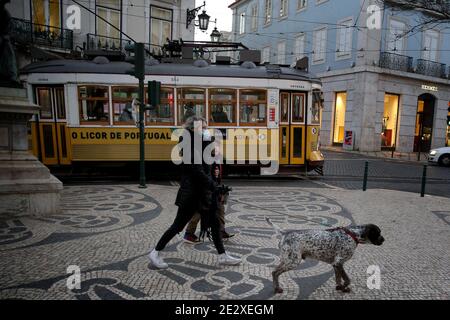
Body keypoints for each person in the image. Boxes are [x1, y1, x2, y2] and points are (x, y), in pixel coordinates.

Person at [148, 116, 241, 269]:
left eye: (206, 127)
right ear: (192, 129)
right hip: (191, 195)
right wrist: (213, 186)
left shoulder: (200, 144)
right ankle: (155, 252)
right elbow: (197, 172)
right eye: (203, 128)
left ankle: (223, 256)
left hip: (203, 194)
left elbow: (208, 169)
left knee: (215, 224)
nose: (206, 130)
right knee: (177, 226)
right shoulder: (189, 147)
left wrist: (217, 186)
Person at [183, 164, 235, 243]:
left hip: (210, 195)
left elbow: (215, 185)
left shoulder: (215, 173)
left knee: (220, 209)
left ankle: (220, 231)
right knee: (198, 213)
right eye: (215, 169)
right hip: (200, 196)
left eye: (218, 169)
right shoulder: (205, 170)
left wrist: (222, 192)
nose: (217, 171)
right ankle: (188, 234)